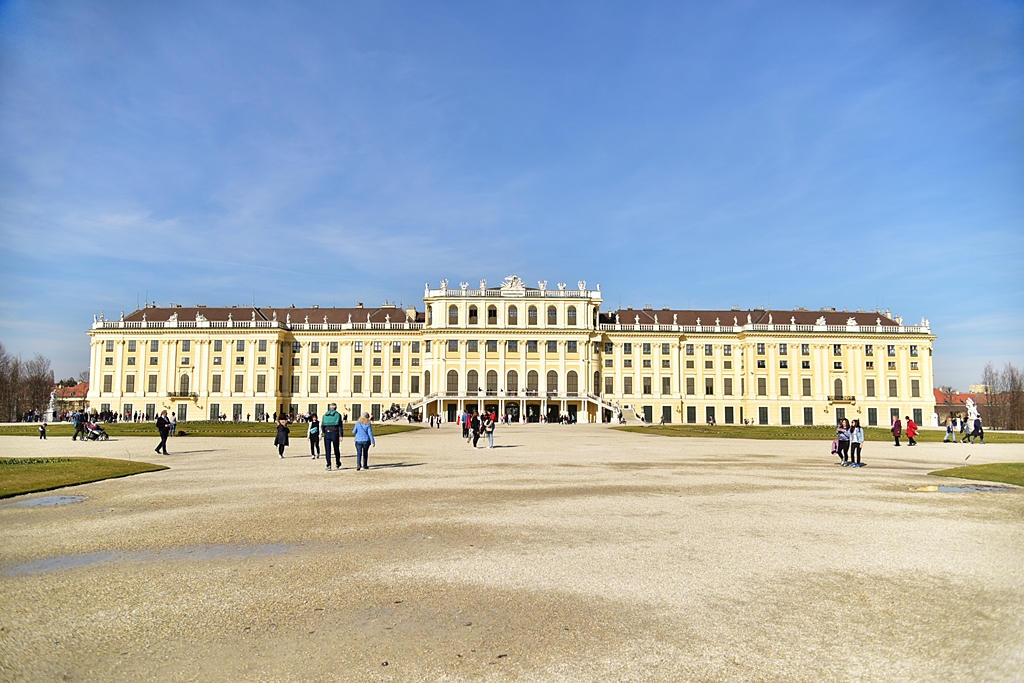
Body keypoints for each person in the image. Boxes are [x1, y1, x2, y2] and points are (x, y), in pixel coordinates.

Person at [321, 403, 344, 470]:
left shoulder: (325, 415)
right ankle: (337, 462)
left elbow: (322, 425)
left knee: (327, 450)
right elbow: (340, 426)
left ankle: (328, 464)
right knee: (336, 449)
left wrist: (324, 432)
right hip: (335, 433)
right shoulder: (338, 415)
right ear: (336, 408)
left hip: (327, 433)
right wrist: (341, 435)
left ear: (329, 408)